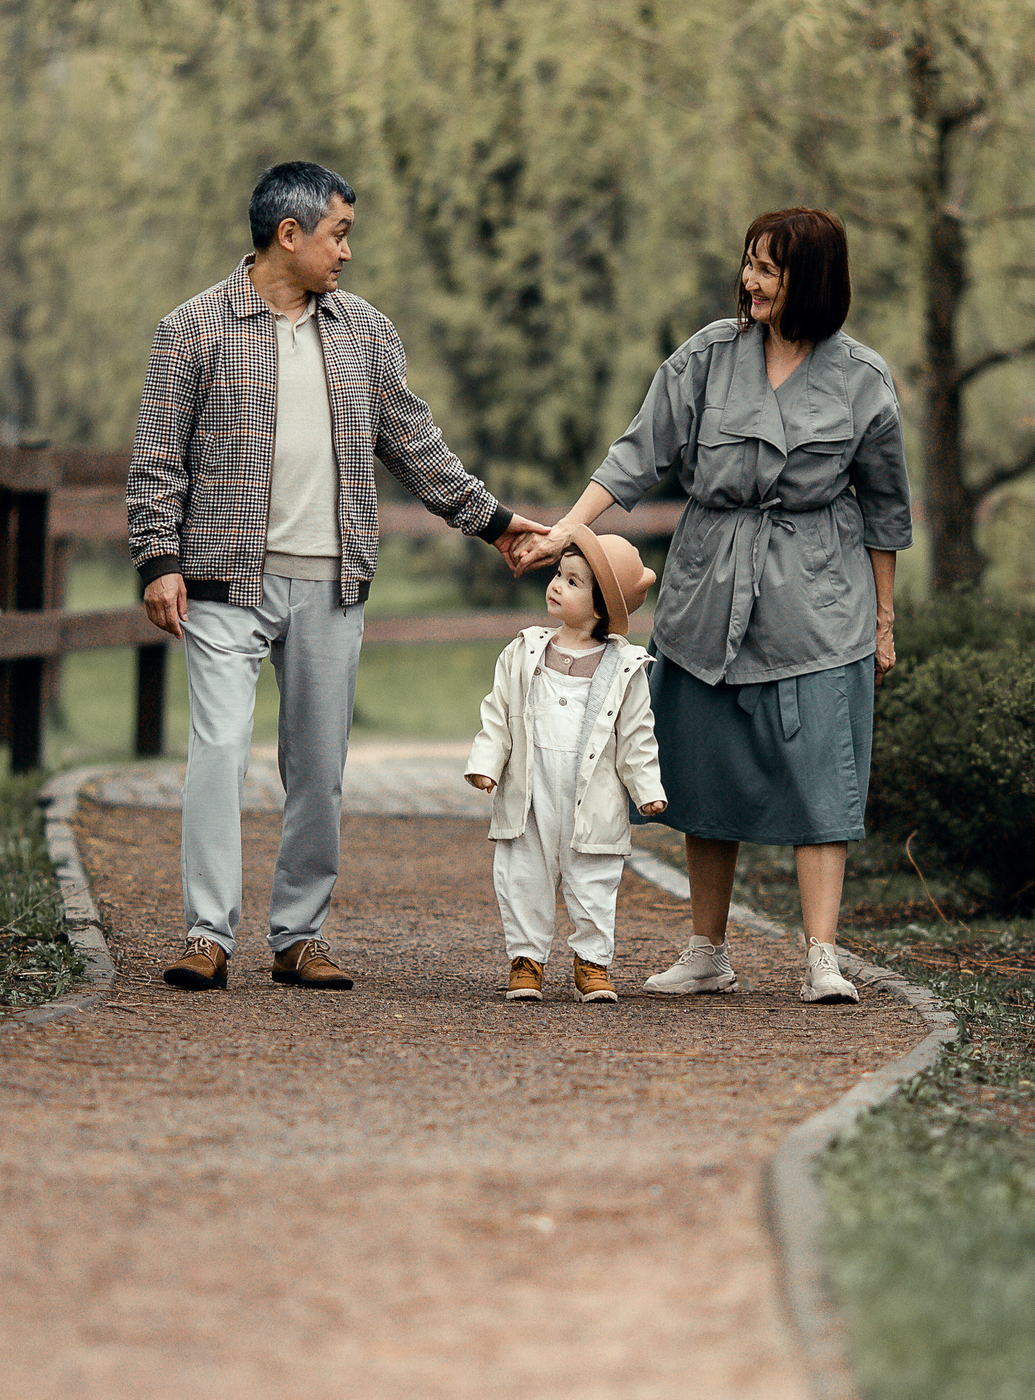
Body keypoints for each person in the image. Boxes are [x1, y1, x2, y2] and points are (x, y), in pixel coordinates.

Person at [128, 161, 548, 993]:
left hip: (332, 579)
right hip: (222, 579)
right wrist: (158, 561)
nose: (347, 251)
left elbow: (415, 445)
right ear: (290, 235)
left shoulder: (364, 333)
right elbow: (155, 459)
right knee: (217, 752)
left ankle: (298, 935)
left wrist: (494, 524)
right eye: (339, 233)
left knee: (318, 766)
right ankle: (207, 935)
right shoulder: (193, 330)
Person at [517, 206, 910, 1004]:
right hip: (708, 588)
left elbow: (885, 512)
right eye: (749, 265)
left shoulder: (862, 380)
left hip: (819, 598)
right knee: (705, 763)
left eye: (769, 268)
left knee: (821, 775)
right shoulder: (707, 358)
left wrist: (884, 619)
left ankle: (821, 957)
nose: (751, 282)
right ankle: (708, 950)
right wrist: (566, 528)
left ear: (814, 280)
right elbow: (637, 456)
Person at [465, 527, 668, 1003]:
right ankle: (526, 959)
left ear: (600, 607)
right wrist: (487, 762)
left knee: (594, 875)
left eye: (574, 582)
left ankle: (592, 963)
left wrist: (647, 787)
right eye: (559, 574)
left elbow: (637, 734)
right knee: (522, 873)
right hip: (532, 790)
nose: (556, 584)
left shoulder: (624, 667)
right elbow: (500, 711)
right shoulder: (525, 651)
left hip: (591, 794)